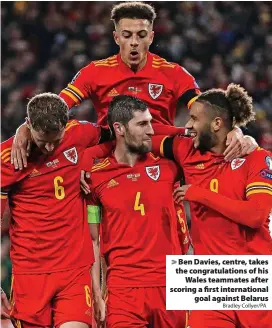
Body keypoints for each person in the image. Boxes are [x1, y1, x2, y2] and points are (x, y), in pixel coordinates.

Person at [11, 1, 248, 170]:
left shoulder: (174, 73)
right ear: (116, 37)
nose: (134, 42)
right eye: (126, 35)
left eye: (141, 35)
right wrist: (26, 126)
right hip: (111, 161)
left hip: (161, 161)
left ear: (151, 37)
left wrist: (235, 130)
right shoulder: (95, 72)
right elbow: (58, 107)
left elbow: (206, 112)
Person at [151, 83, 272, 327]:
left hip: (255, 276)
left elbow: (256, 216)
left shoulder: (257, 157)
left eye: (194, 118)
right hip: (207, 275)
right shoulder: (187, 152)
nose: (188, 125)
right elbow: (144, 132)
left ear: (217, 124)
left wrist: (199, 194)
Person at [0, 93, 111, 328]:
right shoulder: (8, 158)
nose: (50, 147)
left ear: (66, 123)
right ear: (29, 125)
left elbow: (117, 135)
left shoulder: (80, 133)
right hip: (30, 274)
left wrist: (88, 163)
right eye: (43, 140)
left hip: (74, 269)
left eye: (56, 140)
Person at [86, 95, 188, 328]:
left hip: (170, 286)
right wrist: (97, 294)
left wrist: (241, 137)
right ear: (119, 128)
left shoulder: (170, 165)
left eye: (150, 122)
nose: (151, 131)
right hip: (123, 289)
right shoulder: (95, 177)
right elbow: (93, 240)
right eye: (142, 124)